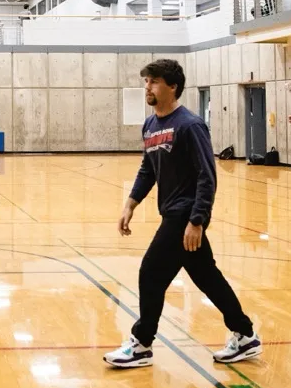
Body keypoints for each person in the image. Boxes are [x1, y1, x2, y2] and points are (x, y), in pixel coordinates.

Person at [104, 59, 262, 369]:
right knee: (207, 276)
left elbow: (207, 175)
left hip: (184, 215)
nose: (147, 87)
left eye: (153, 81)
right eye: (146, 81)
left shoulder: (190, 125)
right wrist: (130, 204)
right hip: (173, 214)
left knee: (150, 273)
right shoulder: (151, 126)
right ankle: (245, 335)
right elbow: (148, 168)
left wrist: (197, 220)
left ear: (172, 86)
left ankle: (142, 343)